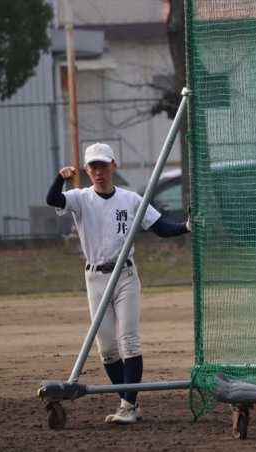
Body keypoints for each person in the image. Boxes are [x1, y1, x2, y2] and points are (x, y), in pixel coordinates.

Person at [46, 142, 190, 425]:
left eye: (103, 165)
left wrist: (187, 226)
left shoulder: (130, 199)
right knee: (107, 349)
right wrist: (61, 178)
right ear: (87, 170)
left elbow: (160, 228)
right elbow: (53, 199)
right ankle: (131, 403)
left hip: (125, 276)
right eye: (93, 167)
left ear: (114, 166)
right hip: (95, 277)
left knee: (129, 341)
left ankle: (127, 405)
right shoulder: (80, 198)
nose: (99, 171)